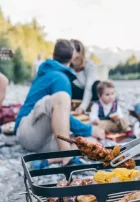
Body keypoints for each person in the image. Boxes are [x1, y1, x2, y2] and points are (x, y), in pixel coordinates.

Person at [14, 39, 105, 167]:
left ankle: (49, 161)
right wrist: (89, 129)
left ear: (53, 54)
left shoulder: (50, 72)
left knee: (91, 143)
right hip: (27, 132)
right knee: (61, 98)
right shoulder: (59, 78)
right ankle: (66, 156)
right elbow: (65, 115)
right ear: (72, 57)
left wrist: (89, 133)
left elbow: (60, 118)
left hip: (39, 136)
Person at [70, 39, 100, 114]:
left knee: (97, 85)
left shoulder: (89, 64)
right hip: (75, 94)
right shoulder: (67, 64)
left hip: (90, 93)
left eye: (71, 50)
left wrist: (82, 107)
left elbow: (89, 88)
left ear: (79, 53)